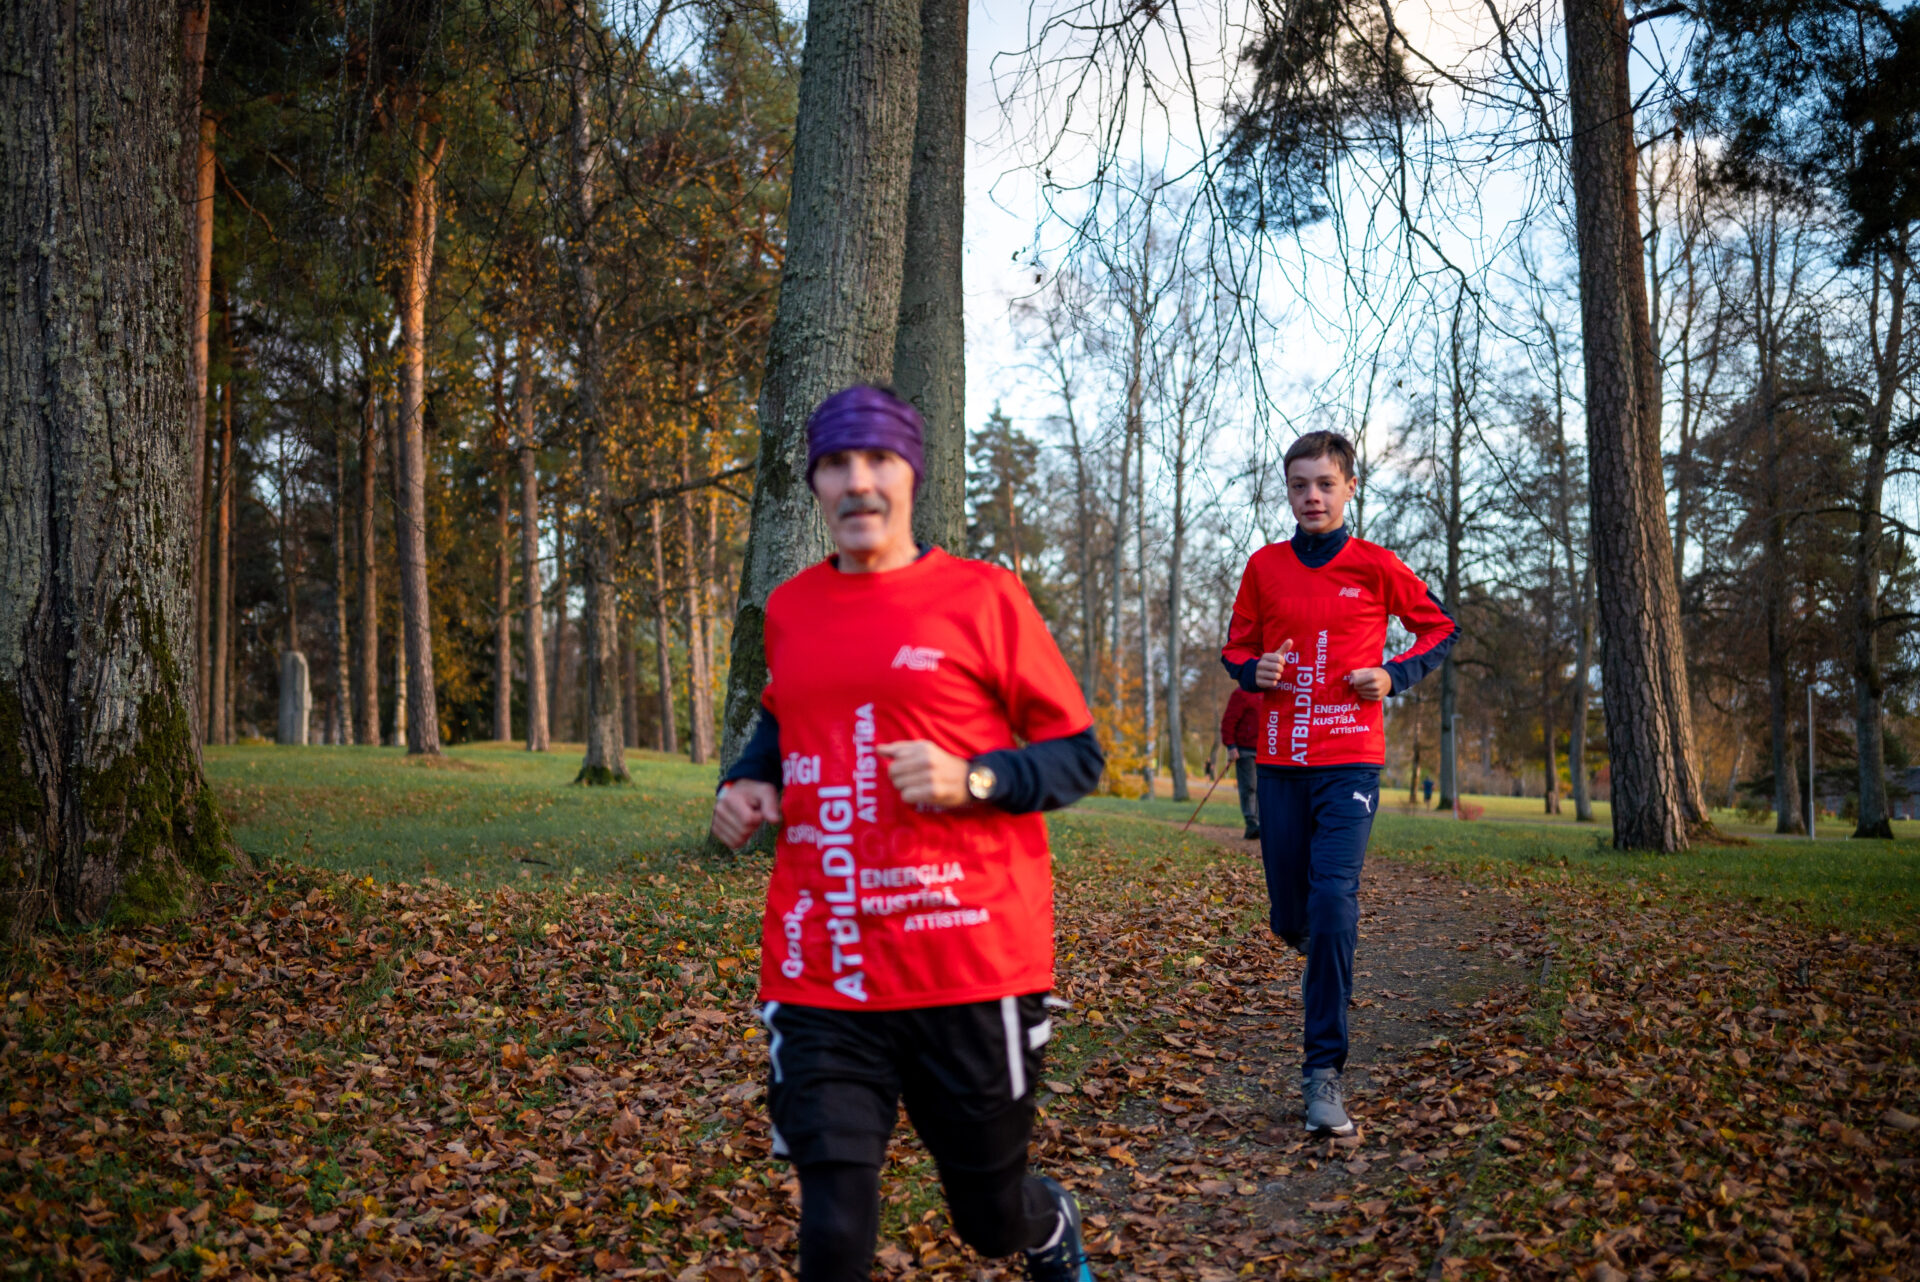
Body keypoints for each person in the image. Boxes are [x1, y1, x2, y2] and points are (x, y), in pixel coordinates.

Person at [711, 385, 1106, 1282]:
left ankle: (1046, 1224)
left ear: (911, 475)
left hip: (969, 966)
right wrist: (749, 779)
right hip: (827, 962)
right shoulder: (792, 608)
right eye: (835, 463)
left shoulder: (982, 598)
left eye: (878, 460)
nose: (857, 481)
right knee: (833, 1228)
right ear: (815, 484)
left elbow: (1078, 757)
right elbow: (785, 716)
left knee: (988, 1218)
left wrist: (974, 778)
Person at [1219, 430, 1457, 1137]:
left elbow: (1440, 628)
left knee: (1332, 901)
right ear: (1288, 492)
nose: (1312, 497)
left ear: (1351, 487)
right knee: (1292, 918)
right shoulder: (1264, 567)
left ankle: (1323, 1072)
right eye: (1299, 485)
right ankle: (1314, 937)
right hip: (1280, 761)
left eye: (1325, 483)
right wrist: (1252, 669)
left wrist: (1392, 674)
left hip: (1350, 759)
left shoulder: (1376, 566)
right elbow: (1236, 646)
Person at [1219, 686, 1262, 840]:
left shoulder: (1271, 693)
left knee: (1264, 788)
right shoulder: (1241, 694)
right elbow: (1228, 721)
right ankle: (1252, 823)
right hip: (1245, 749)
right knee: (1250, 786)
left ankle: (1263, 824)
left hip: (1267, 749)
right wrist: (1230, 745)